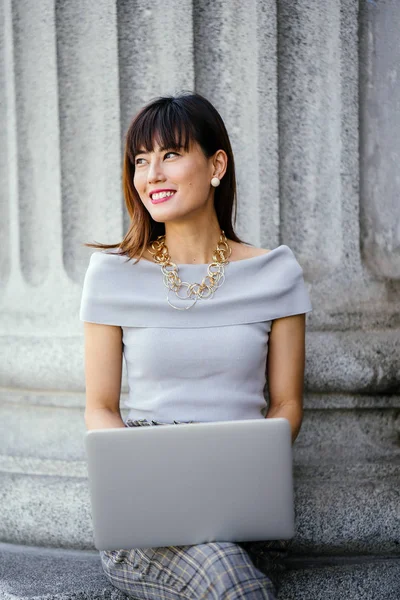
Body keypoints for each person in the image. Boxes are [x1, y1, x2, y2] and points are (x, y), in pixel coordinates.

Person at [80, 91, 312, 599]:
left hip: (244, 507)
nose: (152, 174)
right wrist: (143, 476)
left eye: (170, 154)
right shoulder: (112, 276)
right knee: (228, 580)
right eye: (141, 160)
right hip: (149, 517)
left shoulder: (275, 273)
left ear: (216, 165)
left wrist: (237, 467)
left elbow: (287, 404)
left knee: (230, 566)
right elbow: (99, 407)